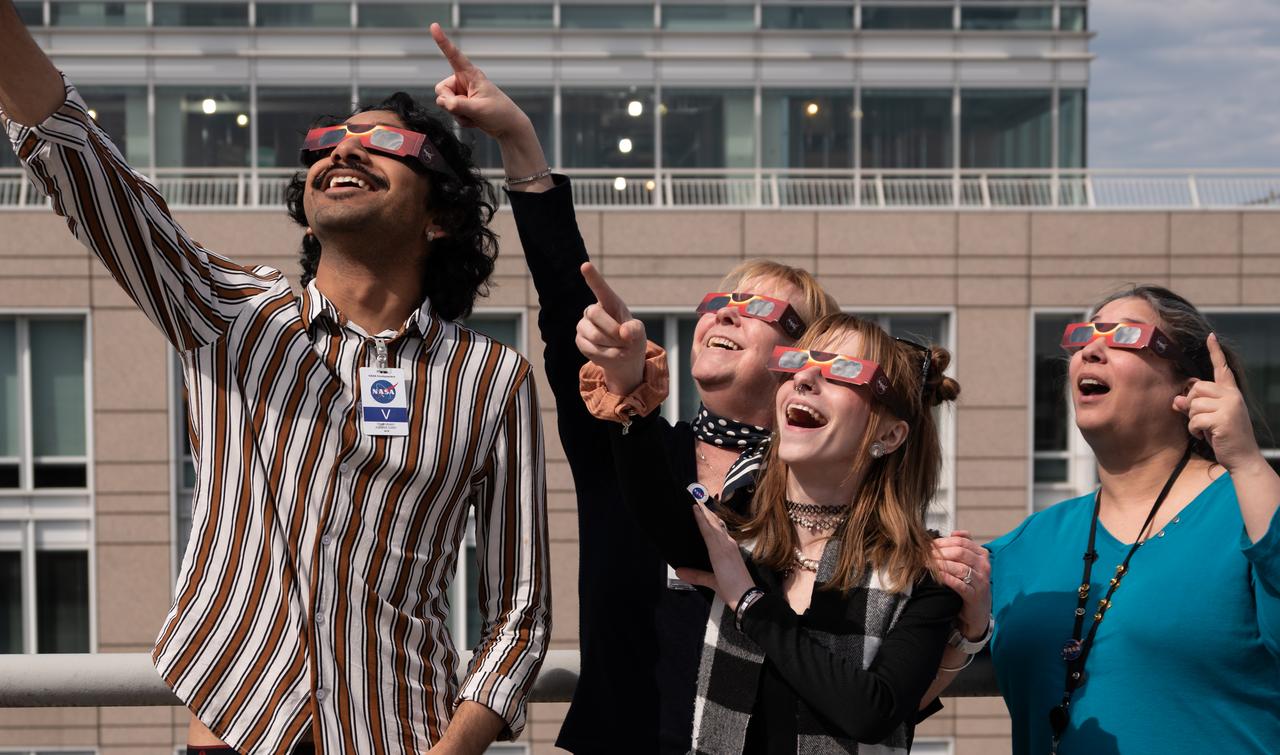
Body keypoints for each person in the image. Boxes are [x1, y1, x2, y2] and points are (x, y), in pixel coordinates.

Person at [422, 33, 992, 753]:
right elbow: (574, 312)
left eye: (758, 308)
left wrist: (968, 633)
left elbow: (872, 693)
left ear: (804, 359)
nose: (723, 310)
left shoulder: (832, 502)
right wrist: (523, 150)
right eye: (718, 298)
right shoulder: (634, 443)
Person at [0, 12, 550, 754]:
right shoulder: (232, 315)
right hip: (231, 737)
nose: (344, 149)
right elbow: (86, 171)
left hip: (401, 737)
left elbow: (519, 610)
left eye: (384, 142)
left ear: (442, 216)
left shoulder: (491, 378)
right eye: (326, 142)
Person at [589, 308, 964, 753]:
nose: (804, 380)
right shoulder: (736, 529)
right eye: (796, 365)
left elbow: (871, 711)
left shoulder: (922, 570)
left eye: (842, 372)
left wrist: (750, 603)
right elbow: (648, 498)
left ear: (890, 434)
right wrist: (628, 382)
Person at [987, 285, 1280, 755]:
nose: (1090, 350)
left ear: (1187, 389)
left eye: (1124, 336)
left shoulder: (1252, 505)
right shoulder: (1027, 544)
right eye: (1083, 336)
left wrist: (1246, 461)